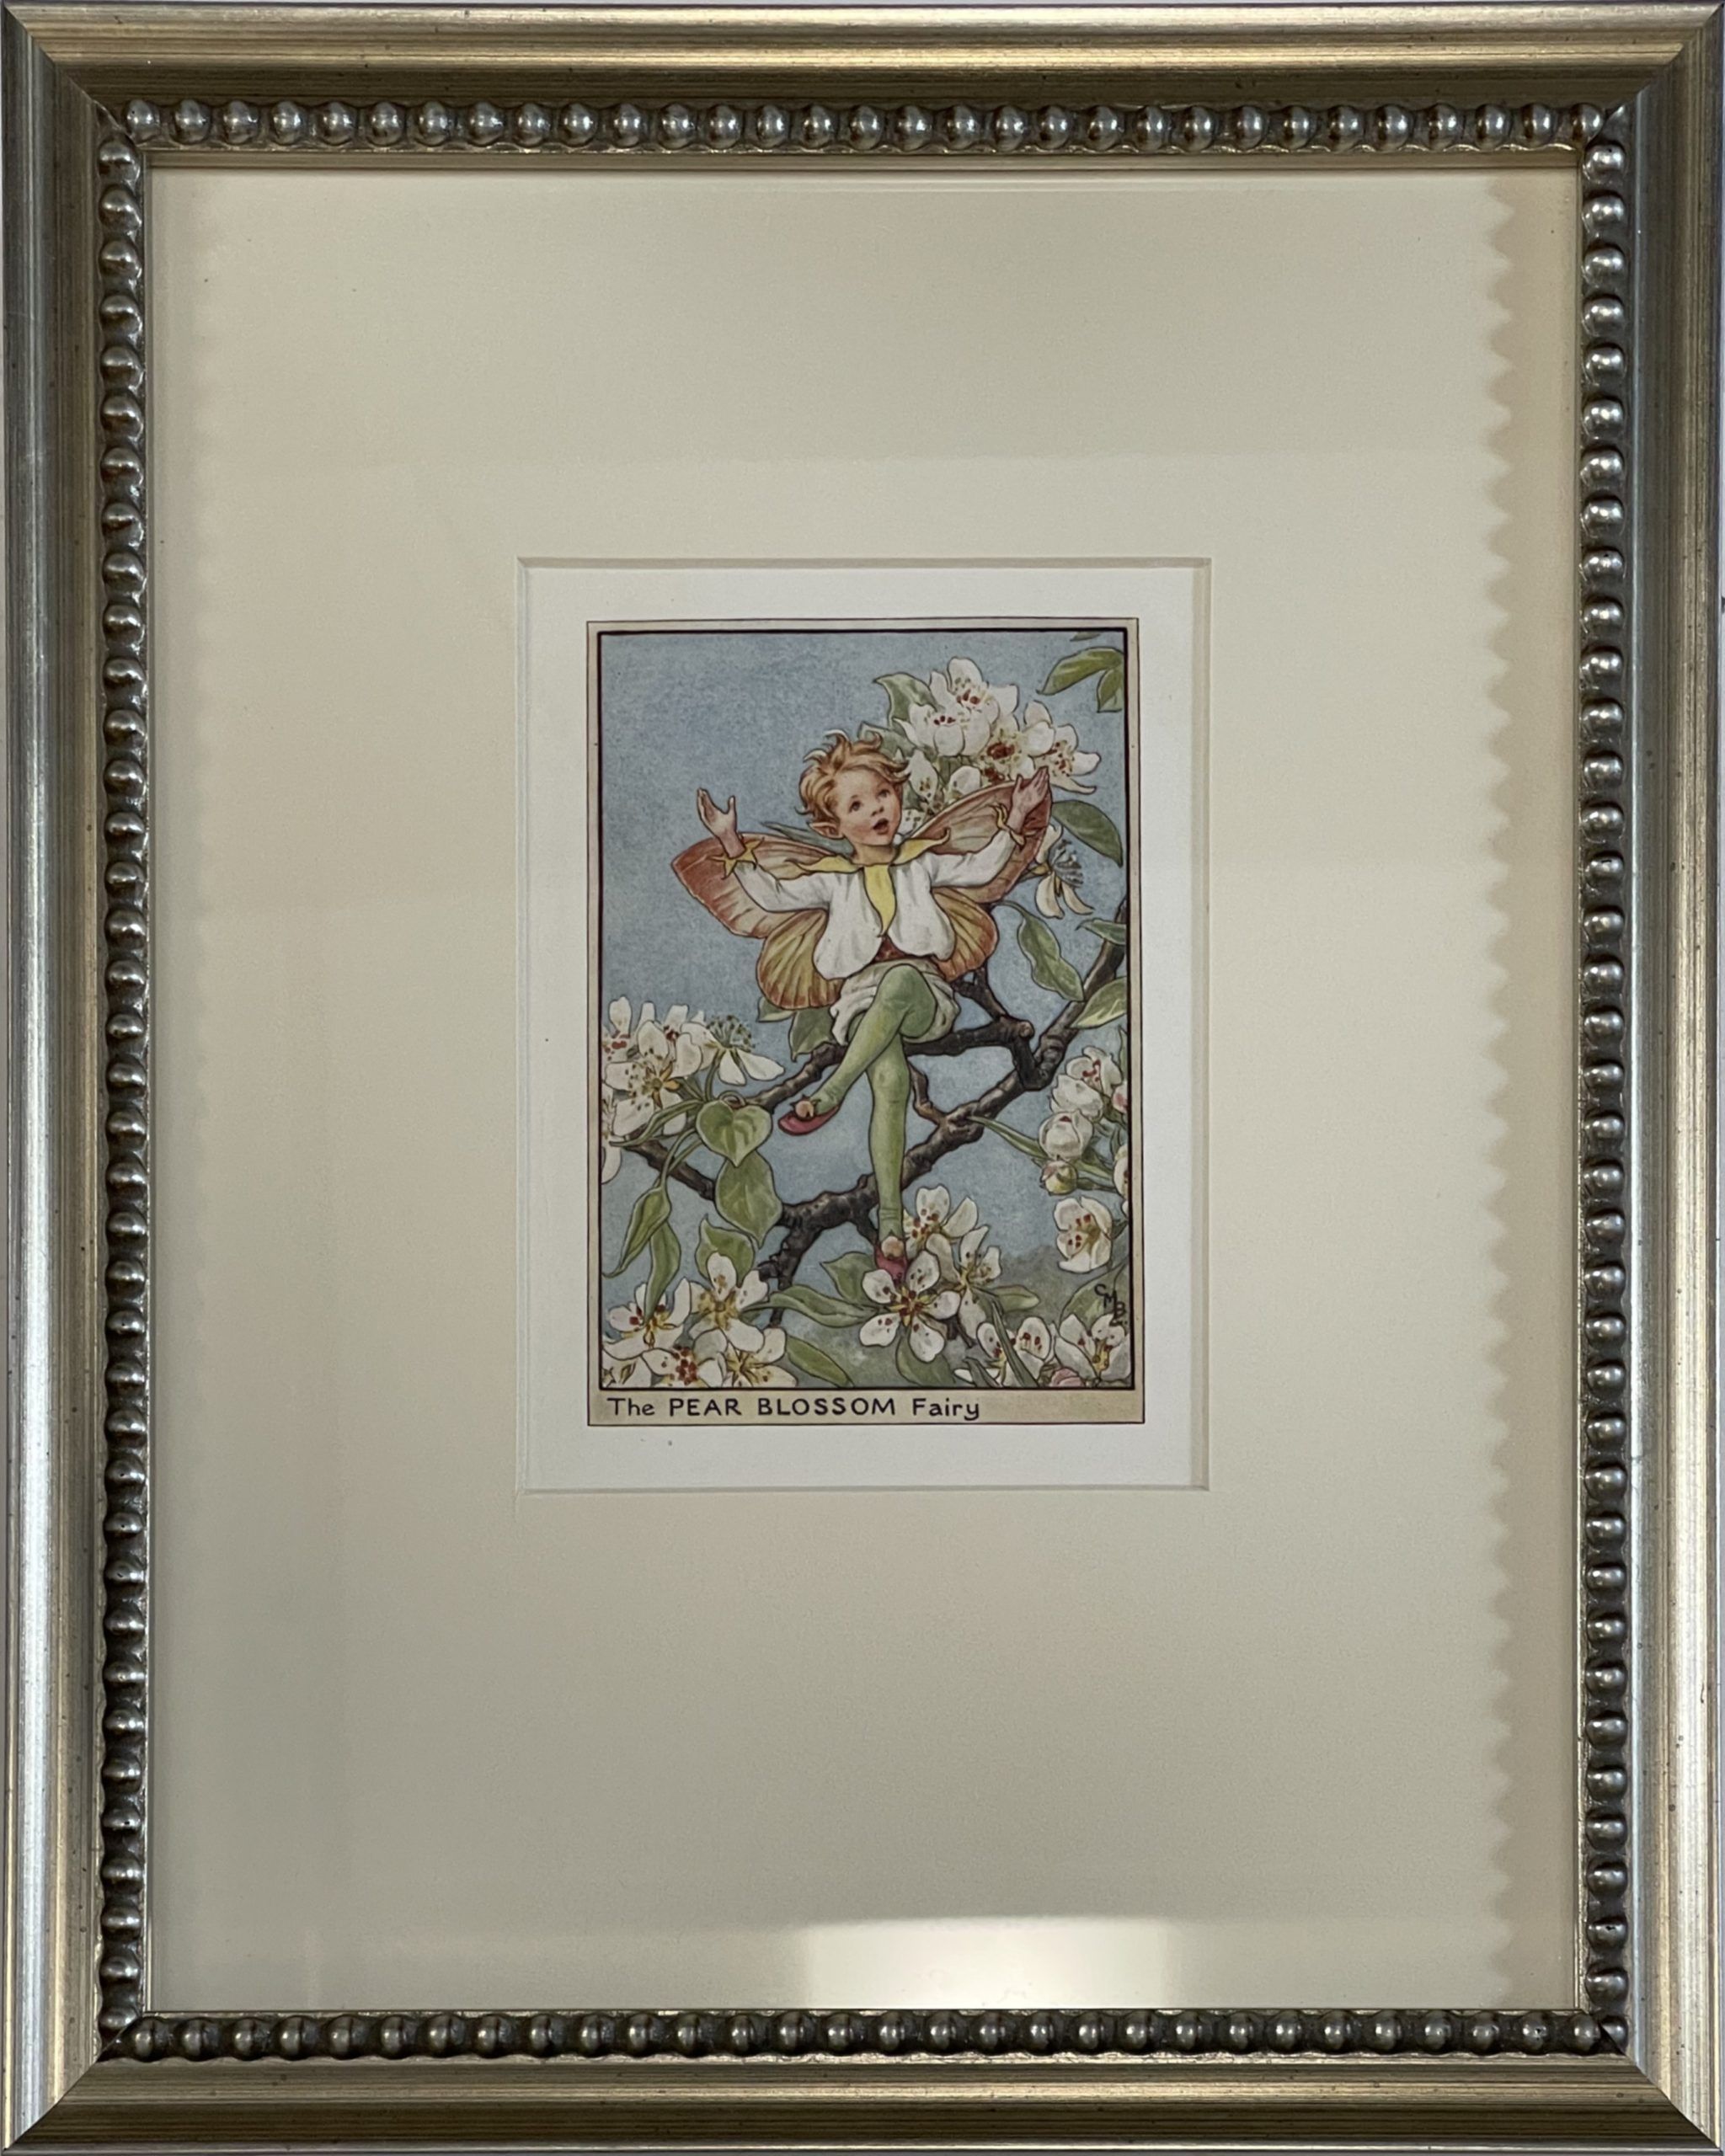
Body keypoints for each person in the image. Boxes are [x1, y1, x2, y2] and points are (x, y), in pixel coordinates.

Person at [676, 734, 1049, 1278]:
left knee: (900, 980)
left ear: (898, 795)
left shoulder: (923, 863)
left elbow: (981, 867)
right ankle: (892, 1227)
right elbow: (772, 896)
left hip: (923, 996)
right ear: (833, 829)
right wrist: (731, 841)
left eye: (882, 794)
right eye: (856, 805)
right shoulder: (833, 881)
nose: (876, 809)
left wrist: (1016, 814)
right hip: (858, 1005)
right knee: (891, 1089)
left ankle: (831, 1090)